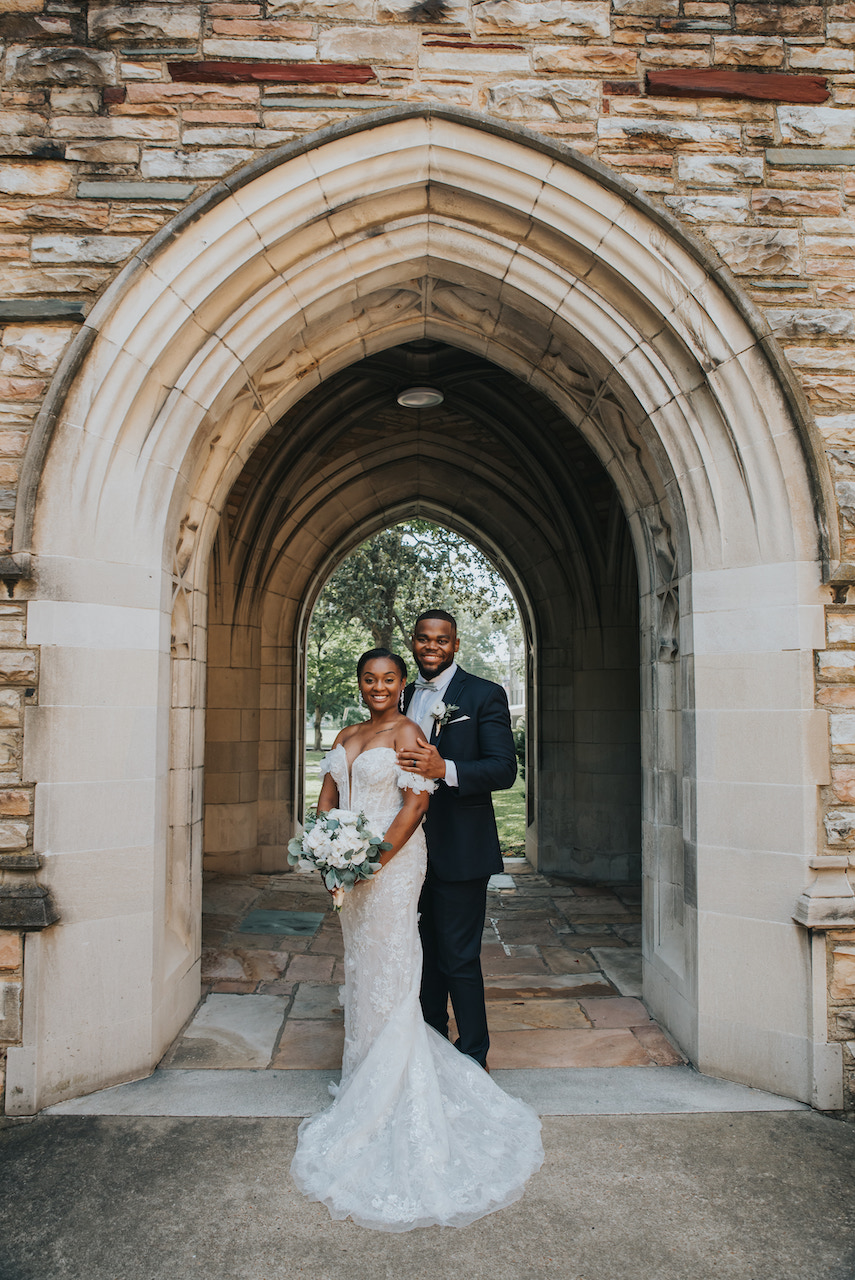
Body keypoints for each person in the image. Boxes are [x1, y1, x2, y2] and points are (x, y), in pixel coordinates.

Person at [290, 648, 543, 1232]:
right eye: (369, 679)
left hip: (392, 865)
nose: (378, 687)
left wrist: (371, 859)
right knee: (363, 966)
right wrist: (328, 850)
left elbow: (415, 803)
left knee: (395, 962)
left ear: (402, 684)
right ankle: (364, 1076)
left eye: (389, 679)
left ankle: (401, 1082)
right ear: (360, 684)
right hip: (348, 871)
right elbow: (328, 800)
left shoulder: (408, 732)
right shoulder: (350, 733)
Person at [397, 610, 517, 1070]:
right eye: (424, 639)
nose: (432, 647)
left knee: (459, 955)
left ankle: (472, 1055)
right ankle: (430, 1041)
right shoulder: (403, 692)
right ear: (414, 642)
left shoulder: (484, 694)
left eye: (441, 640)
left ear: (456, 645)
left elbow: (504, 769)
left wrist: (443, 769)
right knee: (421, 949)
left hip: (461, 847)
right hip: (408, 847)